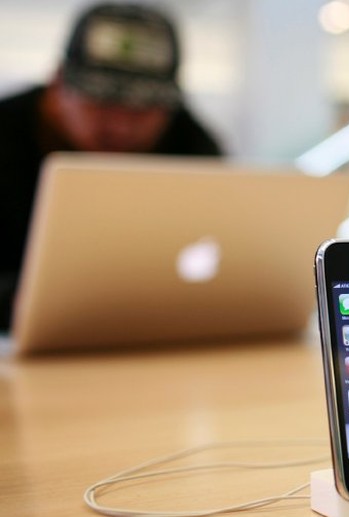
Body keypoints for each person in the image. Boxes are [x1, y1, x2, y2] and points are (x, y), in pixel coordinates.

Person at [0, 3, 222, 331]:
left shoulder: (193, 145)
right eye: (102, 100)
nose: (120, 127)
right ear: (58, 81)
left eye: (144, 109)